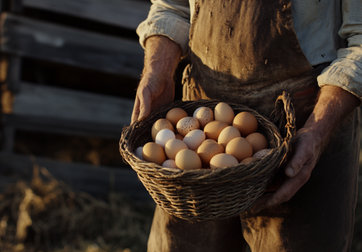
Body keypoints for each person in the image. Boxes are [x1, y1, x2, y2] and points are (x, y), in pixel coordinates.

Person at [131, 0, 362, 251]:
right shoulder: (193, 140)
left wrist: (318, 131)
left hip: (304, 125)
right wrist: (159, 68)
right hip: (202, 124)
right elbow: (172, 6)